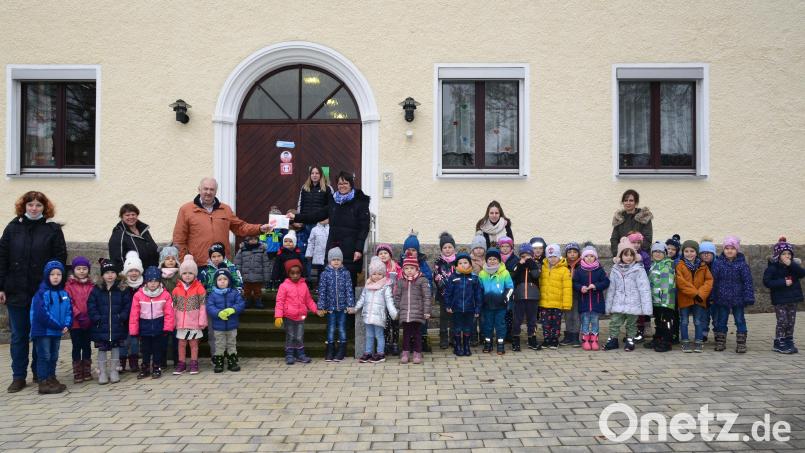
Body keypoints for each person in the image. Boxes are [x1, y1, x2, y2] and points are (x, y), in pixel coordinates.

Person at [0, 191, 67, 393]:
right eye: (31, 205)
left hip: (42, 293)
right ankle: (18, 376)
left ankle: (41, 373)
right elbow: (2, 258)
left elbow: (60, 260)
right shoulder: (12, 229)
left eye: (38, 205)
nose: (34, 208)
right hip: (16, 291)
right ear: (24, 207)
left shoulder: (52, 230)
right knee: (19, 335)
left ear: (44, 208)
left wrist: (55, 286)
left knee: (41, 334)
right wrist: (1, 287)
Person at [288, 171, 371, 288]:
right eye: (340, 183)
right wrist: (296, 217)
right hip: (334, 245)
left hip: (351, 248)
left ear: (351, 184)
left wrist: (359, 249)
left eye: (345, 183)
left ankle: (348, 306)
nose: (342, 186)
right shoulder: (334, 201)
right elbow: (316, 216)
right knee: (331, 280)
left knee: (349, 281)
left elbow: (364, 228)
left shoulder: (360, 203)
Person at [173, 177, 272, 268]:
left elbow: (241, 227)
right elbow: (179, 239)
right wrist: (183, 263)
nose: (208, 192)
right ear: (199, 189)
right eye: (205, 189)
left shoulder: (225, 209)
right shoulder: (186, 210)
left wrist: (259, 228)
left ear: (216, 191)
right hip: (198, 265)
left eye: (212, 189)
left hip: (222, 264)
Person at [30, 260, 72, 394]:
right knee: (44, 356)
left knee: (54, 356)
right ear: (47, 276)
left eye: (58, 274)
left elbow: (69, 311)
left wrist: (67, 324)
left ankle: (51, 378)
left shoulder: (64, 294)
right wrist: (58, 325)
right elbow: (42, 314)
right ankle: (43, 381)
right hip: (44, 331)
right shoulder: (42, 293)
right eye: (52, 274)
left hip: (57, 331)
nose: (55, 277)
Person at [604, 238, 652, 352]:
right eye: (626, 255)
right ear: (620, 256)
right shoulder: (615, 269)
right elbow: (612, 289)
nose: (629, 257)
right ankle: (613, 339)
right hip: (618, 302)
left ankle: (630, 340)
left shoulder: (639, 269)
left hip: (633, 303)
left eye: (631, 255)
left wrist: (646, 308)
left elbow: (644, 289)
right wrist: (609, 306)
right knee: (615, 321)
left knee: (632, 323)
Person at [88, 259, 130, 385]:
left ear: (117, 274)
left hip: (117, 325)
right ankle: (102, 372)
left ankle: (114, 371)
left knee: (116, 348)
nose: (110, 275)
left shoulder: (122, 289)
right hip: (101, 326)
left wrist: (122, 317)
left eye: (112, 272)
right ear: (102, 275)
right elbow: (91, 305)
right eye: (107, 272)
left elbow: (127, 305)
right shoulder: (96, 289)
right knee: (102, 349)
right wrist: (96, 318)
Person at [710, 236, 755, 353]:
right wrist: (712, 295)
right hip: (722, 298)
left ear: (737, 250)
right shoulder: (718, 264)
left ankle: (741, 344)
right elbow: (713, 281)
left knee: (740, 320)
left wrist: (748, 296)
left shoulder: (742, 265)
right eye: (727, 248)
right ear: (723, 250)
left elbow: (747, 282)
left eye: (732, 248)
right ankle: (720, 342)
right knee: (721, 320)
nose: (729, 251)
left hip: (738, 298)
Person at [129, 266, 175, 379]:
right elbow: (134, 314)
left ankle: (156, 367)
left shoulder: (165, 295)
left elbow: (169, 313)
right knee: (145, 349)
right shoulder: (138, 295)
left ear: (160, 282)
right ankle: (145, 367)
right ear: (146, 281)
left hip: (159, 327)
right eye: (150, 281)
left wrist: (168, 328)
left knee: (157, 349)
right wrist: (134, 330)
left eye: (156, 281)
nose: (153, 284)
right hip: (144, 327)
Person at [352, 257, 397, 363]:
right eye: (374, 274)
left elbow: (389, 301)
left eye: (379, 274)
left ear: (383, 274)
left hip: (379, 316)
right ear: (370, 274)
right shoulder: (367, 286)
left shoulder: (385, 287)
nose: (376, 276)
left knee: (379, 335)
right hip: (368, 315)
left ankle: (380, 354)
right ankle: (368, 353)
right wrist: (355, 309)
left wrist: (394, 313)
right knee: (369, 335)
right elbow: (362, 299)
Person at [275, 259, 319, 365]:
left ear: (301, 273)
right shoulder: (284, 286)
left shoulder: (304, 285)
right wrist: (278, 316)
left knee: (299, 336)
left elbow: (308, 300)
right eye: (292, 273)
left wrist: (316, 310)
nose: (295, 275)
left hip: (301, 316)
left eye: (297, 273)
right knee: (290, 336)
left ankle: (300, 354)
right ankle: (289, 354)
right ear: (288, 273)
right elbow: (279, 301)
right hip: (289, 316)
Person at [764, 237, 804, 354]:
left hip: (793, 298)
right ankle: (779, 342)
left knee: (791, 321)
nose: (787, 256)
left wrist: (792, 264)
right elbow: (767, 282)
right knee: (783, 321)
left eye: (789, 254)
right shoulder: (772, 267)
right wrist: (783, 282)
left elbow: (802, 273)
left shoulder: (793, 267)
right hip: (780, 299)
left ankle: (789, 340)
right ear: (778, 255)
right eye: (784, 254)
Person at [317, 248, 355, 362]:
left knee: (342, 329)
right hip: (330, 308)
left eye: (338, 259)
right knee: (331, 329)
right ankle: (330, 350)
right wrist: (321, 306)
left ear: (342, 261)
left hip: (343, 308)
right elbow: (322, 291)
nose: (336, 261)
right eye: (334, 259)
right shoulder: (324, 274)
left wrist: (350, 305)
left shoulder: (346, 273)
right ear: (329, 261)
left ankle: (341, 350)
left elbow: (349, 290)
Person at [675, 240, 714, 353]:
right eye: (686, 251)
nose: (689, 253)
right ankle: (685, 341)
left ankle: (698, 341)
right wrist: (695, 294)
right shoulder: (680, 265)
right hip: (685, 298)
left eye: (692, 251)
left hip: (699, 300)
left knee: (698, 321)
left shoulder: (703, 266)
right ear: (683, 252)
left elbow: (708, 281)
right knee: (684, 321)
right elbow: (680, 282)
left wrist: (701, 294)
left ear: (697, 252)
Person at [172, 255, 207, 375]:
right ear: (181, 274)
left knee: (193, 343)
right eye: (185, 273)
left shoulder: (199, 289)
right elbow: (174, 307)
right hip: (181, 323)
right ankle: (181, 364)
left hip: (194, 322)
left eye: (190, 273)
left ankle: (194, 363)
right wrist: (174, 321)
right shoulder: (176, 290)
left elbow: (203, 306)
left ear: (195, 274)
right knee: (181, 344)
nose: (187, 275)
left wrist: (202, 321)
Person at [399, 232, 434, 353]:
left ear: (417, 251)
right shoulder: (401, 264)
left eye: (413, 250)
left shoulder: (422, 264)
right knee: (408, 324)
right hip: (406, 300)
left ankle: (422, 340)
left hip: (419, 300)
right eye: (408, 249)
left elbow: (428, 279)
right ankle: (407, 343)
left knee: (420, 323)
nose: (411, 252)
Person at [206, 267, 246, 372]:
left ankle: (232, 361)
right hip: (218, 326)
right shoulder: (213, 295)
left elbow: (240, 304)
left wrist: (233, 309)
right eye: (219, 279)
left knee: (231, 343)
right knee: (219, 344)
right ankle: (219, 362)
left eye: (225, 279)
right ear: (216, 282)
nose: (222, 281)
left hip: (232, 325)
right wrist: (218, 313)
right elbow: (210, 307)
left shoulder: (234, 293)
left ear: (229, 281)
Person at [295, 166, 333, 276]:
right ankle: (307, 278)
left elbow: (331, 206)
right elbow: (300, 205)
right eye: (312, 173)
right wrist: (299, 218)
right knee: (307, 251)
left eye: (317, 173)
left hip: (320, 225)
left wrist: (328, 219)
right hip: (306, 224)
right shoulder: (304, 188)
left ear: (321, 175)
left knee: (321, 251)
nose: (314, 175)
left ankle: (321, 278)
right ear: (310, 175)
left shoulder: (327, 188)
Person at [394, 253, 432, 364]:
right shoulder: (401, 281)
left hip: (418, 312)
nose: (409, 270)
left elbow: (427, 296)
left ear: (417, 268)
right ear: (403, 269)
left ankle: (417, 352)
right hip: (405, 312)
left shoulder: (422, 280)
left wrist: (427, 311)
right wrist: (396, 310)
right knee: (406, 333)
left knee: (417, 333)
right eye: (406, 268)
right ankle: (405, 352)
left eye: (412, 268)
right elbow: (397, 296)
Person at [444, 252, 482, 357]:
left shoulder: (474, 278)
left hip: (470, 309)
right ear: (456, 265)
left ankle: (466, 346)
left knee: (467, 328)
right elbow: (448, 293)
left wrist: (478, 308)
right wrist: (448, 305)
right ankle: (458, 346)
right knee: (457, 328)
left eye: (465, 262)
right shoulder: (453, 277)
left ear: (470, 264)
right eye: (460, 263)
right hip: (457, 308)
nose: (463, 265)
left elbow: (478, 294)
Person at [573, 245, 610, 351]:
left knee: (595, 322)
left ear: (595, 258)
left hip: (596, 302)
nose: (589, 258)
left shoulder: (599, 270)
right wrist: (581, 287)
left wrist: (596, 286)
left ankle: (594, 340)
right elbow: (575, 283)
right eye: (587, 256)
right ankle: (585, 340)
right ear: (583, 258)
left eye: (592, 256)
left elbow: (606, 282)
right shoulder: (579, 270)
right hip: (584, 302)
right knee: (584, 322)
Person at [478, 248, 514, 355]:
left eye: (495, 259)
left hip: (500, 305)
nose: (492, 261)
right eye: (490, 259)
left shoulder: (504, 273)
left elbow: (510, 287)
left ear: (499, 260)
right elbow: (479, 289)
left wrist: (505, 299)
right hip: (487, 305)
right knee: (487, 325)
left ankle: (500, 344)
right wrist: (481, 301)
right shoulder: (482, 273)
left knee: (500, 325)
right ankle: (488, 343)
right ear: (486, 260)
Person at [65, 256, 95, 384]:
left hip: (88, 322)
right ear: (74, 270)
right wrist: (78, 314)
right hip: (76, 322)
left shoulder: (92, 286)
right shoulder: (69, 286)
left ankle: (87, 369)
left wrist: (89, 316)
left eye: (84, 268)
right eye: (78, 268)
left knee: (87, 346)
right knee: (77, 346)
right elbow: (69, 303)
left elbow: (94, 301)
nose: (82, 271)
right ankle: (77, 371)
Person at [539, 244, 572, 350]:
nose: (552, 259)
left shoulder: (564, 270)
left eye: (555, 256)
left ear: (559, 257)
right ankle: (546, 339)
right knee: (545, 323)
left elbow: (567, 288)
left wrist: (566, 304)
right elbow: (539, 284)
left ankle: (554, 340)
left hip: (557, 303)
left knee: (556, 323)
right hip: (544, 302)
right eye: (550, 257)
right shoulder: (543, 268)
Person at [108, 203, 159, 270]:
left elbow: (153, 247)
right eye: (127, 215)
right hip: (133, 276)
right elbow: (117, 259)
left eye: (133, 214)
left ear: (137, 215)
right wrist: (124, 275)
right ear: (121, 217)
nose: (131, 217)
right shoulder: (118, 234)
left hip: (151, 274)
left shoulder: (144, 230)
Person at [510, 243, 541, 351]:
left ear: (532, 256)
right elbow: (512, 275)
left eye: (528, 255)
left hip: (533, 296)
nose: (525, 258)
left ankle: (532, 339)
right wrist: (520, 264)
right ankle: (516, 340)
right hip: (520, 295)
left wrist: (531, 263)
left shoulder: (535, 264)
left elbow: (536, 275)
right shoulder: (518, 264)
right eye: (523, 256)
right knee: (517, 319)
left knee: (532, 319)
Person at [647, 242, 676, 352]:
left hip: (666, 301)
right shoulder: (653, 265)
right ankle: (658, 338)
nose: (658, 254)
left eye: (660, 252)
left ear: (665, 253)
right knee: (659, 321)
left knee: (666, 321)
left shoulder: (666, 266)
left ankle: (667, 341)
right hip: (656, 300)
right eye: (655, 252)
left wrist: (664, 302)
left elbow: (666, 285)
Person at [119, 251, 144, 373]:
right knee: (123, 342)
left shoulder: (143, 286)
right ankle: (121, 362)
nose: (133, 273)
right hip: (124, 318)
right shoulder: (122, 286)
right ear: (126, 272)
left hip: (137, 319)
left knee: (135, 341)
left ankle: (134, 362)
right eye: (130, 270)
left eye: (136, 270)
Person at [433, 232, 457, 349]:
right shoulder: (438, 262)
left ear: (454, 248)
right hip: (443, 294)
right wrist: (445, 291)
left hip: (455, 294)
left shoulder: (458, 261)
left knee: (454, 317)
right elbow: (437, 277)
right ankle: (443, 338)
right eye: (445, 247)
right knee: (444, 317)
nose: (447, 250)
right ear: (441, 249)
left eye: (450, 247)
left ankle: (453, 337)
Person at [376, 243, 402, 355]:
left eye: (385, 253)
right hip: (382, 300)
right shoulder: (376, 267)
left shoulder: (396, 267)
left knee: (395, 322)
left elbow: (401, 280)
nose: (383, 255)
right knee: (385, 322)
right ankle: (386, 343)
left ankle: (395, 343)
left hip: (394, 299)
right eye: (380, 253)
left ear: (390, 255)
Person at [610, 189, 653, 255]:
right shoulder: (619, 218)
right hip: (622, 256)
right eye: (625, 200)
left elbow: (647, 239)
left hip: (640, 256)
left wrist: (633, 254)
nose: (628, 203)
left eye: (631, 200)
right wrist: (618, 254)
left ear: (636, 202)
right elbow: (614, 239)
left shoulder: (644, 217)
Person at [234, 235, 271, 309]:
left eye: (255, 239)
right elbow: (238, 263)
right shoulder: (242, 249)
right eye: (251, 239)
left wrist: (267, 276)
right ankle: (247, 301)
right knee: (247, 290)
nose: (253, 240)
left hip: (258, 276)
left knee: (257, 290)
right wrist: (238, 275)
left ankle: (258, 301)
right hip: (246, 275)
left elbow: (266, 264)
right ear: (247, 240)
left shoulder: (262, 250)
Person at [560, 242, 582, 347]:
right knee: (567, 315)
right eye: (569, 252)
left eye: (575, 252)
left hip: (578, 293)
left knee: (576, 316)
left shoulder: (582, 264)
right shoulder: (563, 264)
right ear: (566, 254)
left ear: (579, 253)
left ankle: (575, 337)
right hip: (566, 294)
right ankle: (568, 336)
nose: (572, 254)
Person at [699, 239, 718, 342]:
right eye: (703, 253)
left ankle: (718, 333)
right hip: (703, 297)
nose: (705, 255)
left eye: (708, 253)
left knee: (717, 318)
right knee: (703, 317)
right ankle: (703, 334)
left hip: (715, 297)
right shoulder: (698, 266)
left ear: (713, 254)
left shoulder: (718, 265)